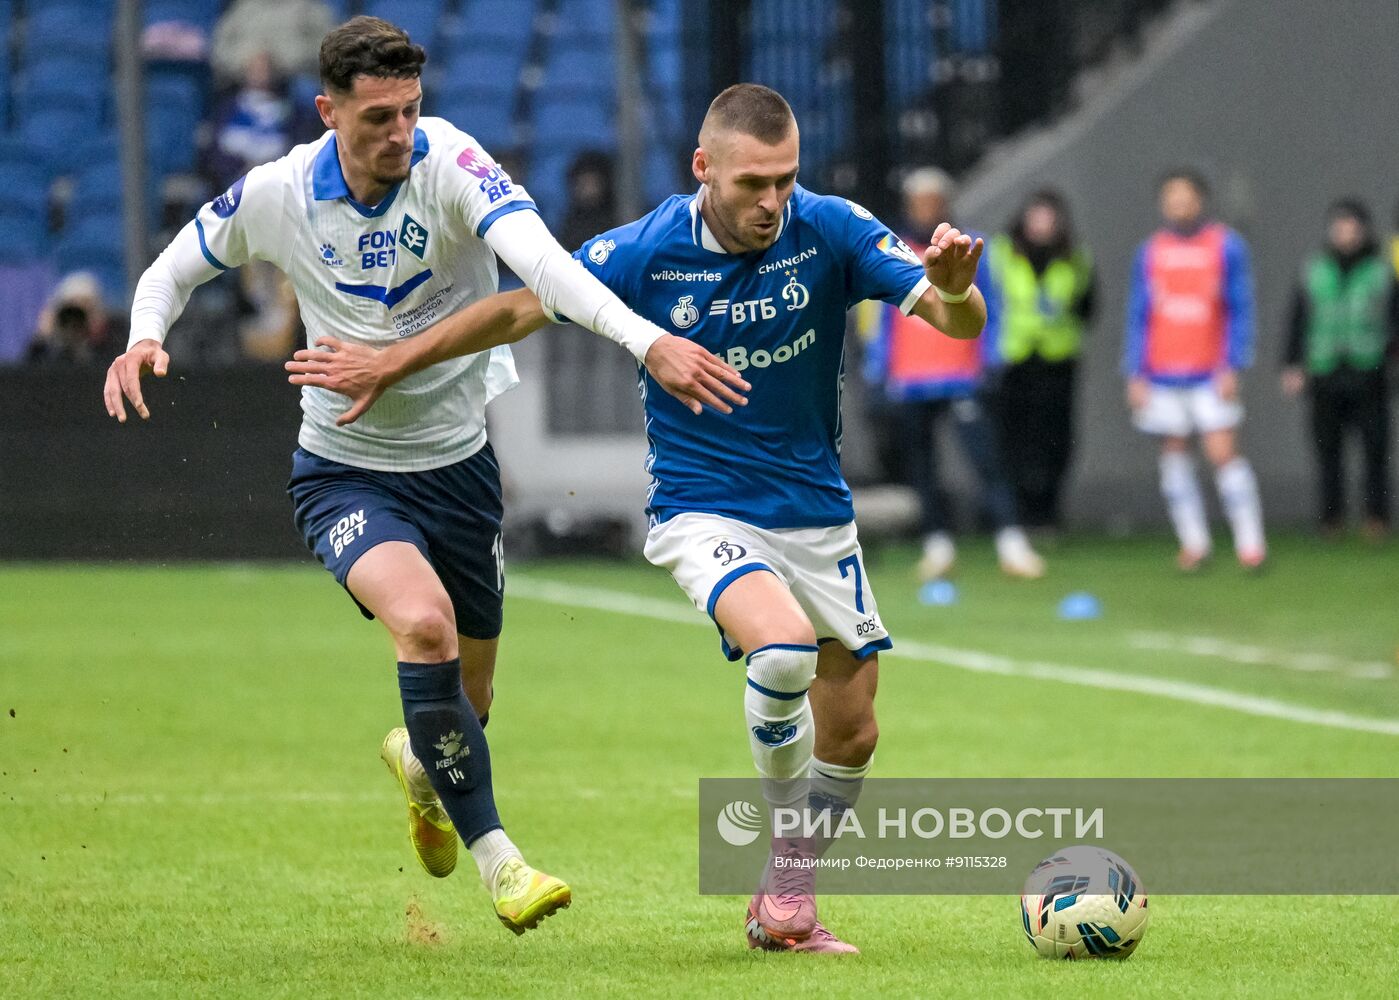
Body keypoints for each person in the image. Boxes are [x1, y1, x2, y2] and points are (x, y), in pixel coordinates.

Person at [283, 83, 988, 954]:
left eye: (784, 180)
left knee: (853, 727)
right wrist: (391, 361)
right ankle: (787, 885)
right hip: (703, 508)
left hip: (815, 514)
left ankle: (782, 898)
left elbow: (957, 322)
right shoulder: (648, 248)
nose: (771, 201)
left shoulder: (831, 227)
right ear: (704, 167)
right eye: (751, 183)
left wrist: (955, 292)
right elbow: (517, 306)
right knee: (780, 651)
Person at [102, 16, 746, 936]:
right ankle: (504, 866)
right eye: (376, 118)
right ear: (328, 112)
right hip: (344, 471)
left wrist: (647, 344)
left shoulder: (452, 165)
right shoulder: (279, 193)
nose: (399, 133)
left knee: (466, 709)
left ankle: (421, 765)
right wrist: (143, 338)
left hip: (460, 469)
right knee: (422, 622)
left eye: (409, 111)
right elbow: (170, 269)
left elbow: (545, 274)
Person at [861, 169, 1045, 580]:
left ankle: (1012, 543)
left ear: (945, 205)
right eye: (917, 202)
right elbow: (883, 320)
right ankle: (937, 546)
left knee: (987, 462)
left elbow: (994, 307)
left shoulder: (971, 248)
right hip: (911, 381)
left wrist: (993, 359)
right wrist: (879, 367)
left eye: (932, 202)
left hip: (963, 376)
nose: (924, 210)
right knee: (922, 467)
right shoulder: (894, 251)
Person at [1124, 169, 1265, 571]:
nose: (1179, 203)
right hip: (1163, 372)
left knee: (1223, 451)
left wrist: (1232, 364)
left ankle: (1250, 544)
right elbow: (1139, 313)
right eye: (1172, 196)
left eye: (1186, 196)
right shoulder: (1151, 251)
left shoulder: (1226, 245)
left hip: (1209, 371)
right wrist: (1136, 371)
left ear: (1200, 200)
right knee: (1173, 454)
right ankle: (1194, 543)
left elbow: (1240, 308)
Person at [1281, 199, 1397, 539]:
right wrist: (1292, 364)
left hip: (1369, 367)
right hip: (1325, 367)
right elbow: (1297, 318)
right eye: (1340, 227)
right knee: (1327, 449)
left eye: (1352, 227)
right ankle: (1331, 518)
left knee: (1376, 449)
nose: (1345, 234)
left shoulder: (1383, 269)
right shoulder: (1315, 268)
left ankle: (1377, 517)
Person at [987, 189, 1095, 534]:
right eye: (1036, 216)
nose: (1042, 224)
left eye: (1049, 217)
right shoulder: (1002, 252)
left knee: (1056, 438)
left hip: (1057, 359)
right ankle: (1017, 513)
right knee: (1012, 438)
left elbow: (1088, 306)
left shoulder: (1074, 257)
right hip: (1014, 358)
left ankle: (1048, 512)